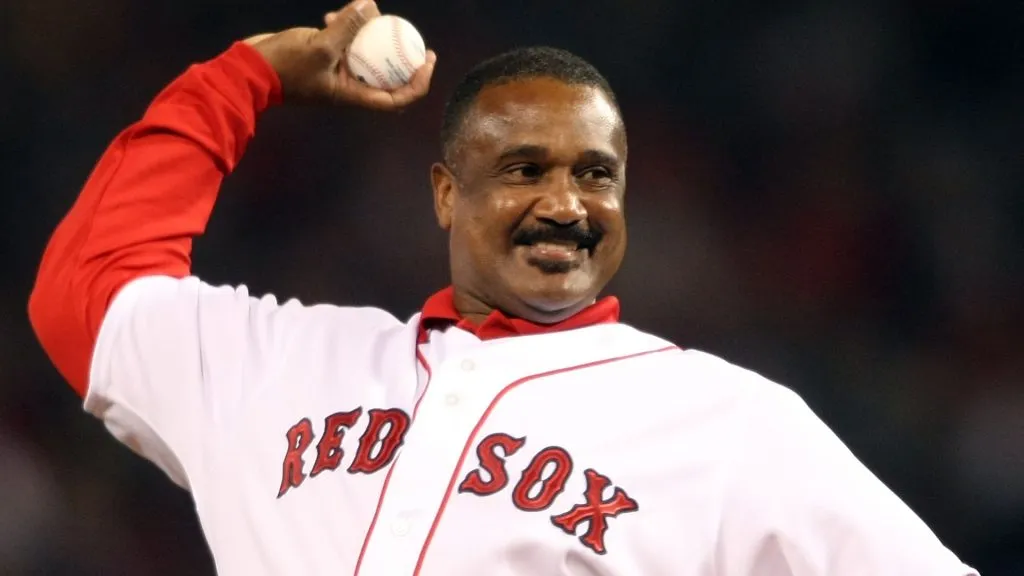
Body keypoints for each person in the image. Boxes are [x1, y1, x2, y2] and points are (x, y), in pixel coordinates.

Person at [28, 1, 979, 575]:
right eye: (524, 168)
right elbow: (89, 288)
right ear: (447, 194)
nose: (566, 203)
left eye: (596, 174)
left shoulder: (729, 422)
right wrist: (248, 78)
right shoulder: (286, 361)